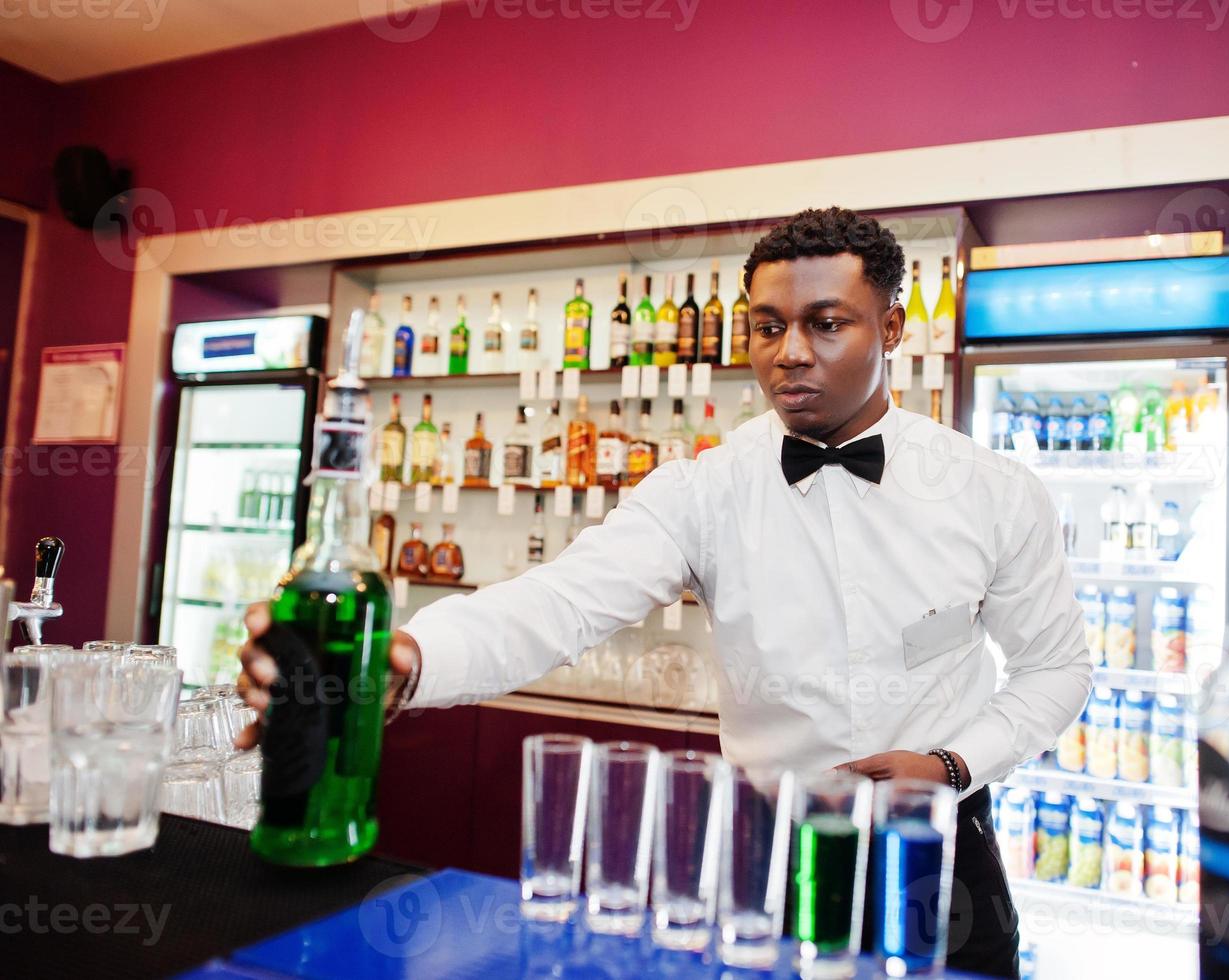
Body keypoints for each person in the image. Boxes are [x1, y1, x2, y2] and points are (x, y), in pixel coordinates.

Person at [238, 206, 1091, 978]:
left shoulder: (992, 490)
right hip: (766, 849)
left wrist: (948, 764)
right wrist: (412, 657)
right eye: (766, 326)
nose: (789, 352)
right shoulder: (703, 490)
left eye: (826, 324)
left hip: (938, 847)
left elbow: (1056, 669)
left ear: (892, 327)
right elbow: (560, 601)